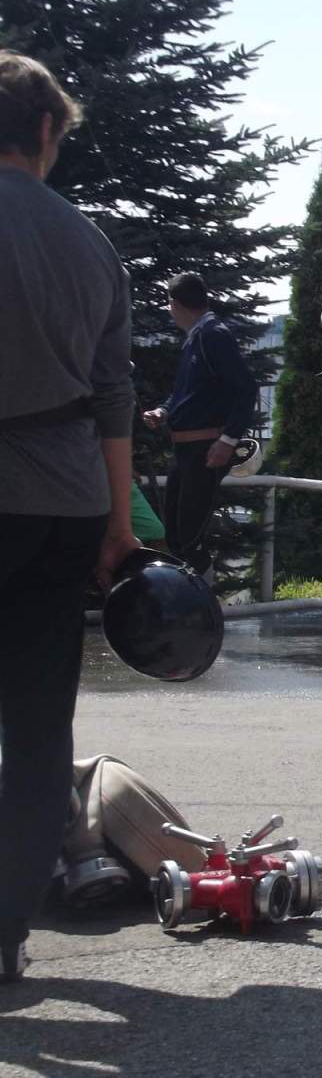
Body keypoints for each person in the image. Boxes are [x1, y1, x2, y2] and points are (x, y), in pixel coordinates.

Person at [0, 50, 137, 982]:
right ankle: (4, 931)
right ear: (46, 130)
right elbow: (113, 397)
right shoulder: (91, 245)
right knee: (40, 725)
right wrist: (118, 525)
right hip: (66, 504)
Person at [140, 274, 258, 577]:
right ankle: (191, 598)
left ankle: (203, 602)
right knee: (176, 534)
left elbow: (246, 388)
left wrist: (228, 440)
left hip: (203, 448)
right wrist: (163, 411)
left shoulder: (213, 335)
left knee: (190, 536)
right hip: (185, 449)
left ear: (176, 304)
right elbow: (187, 393)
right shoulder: (196, 337)